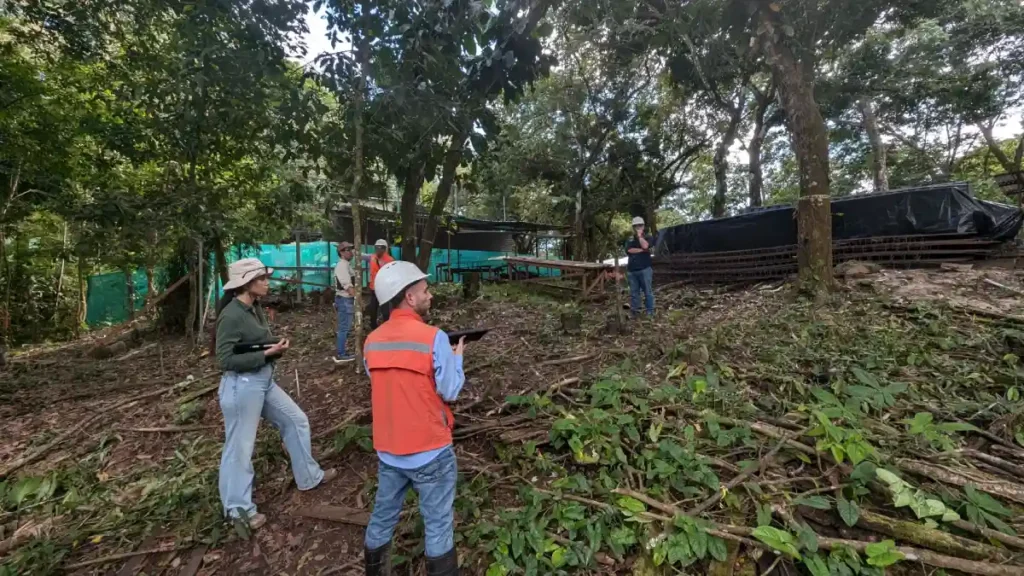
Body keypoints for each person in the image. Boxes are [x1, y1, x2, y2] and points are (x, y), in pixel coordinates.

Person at [214, 258, 336, 530]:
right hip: (242, 385)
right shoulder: (232, 315)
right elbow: (224, 359)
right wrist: (265, 354)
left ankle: (308, 477)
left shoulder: (253, 307)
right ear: (246, 283)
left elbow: (252, 342)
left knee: (296, 420)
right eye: (262, 279)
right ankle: (238, 511)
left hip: (262, 380)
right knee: (240, 447)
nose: (267, 283)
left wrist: (274, 346)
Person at [362, 261, 466, 576]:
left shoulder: (371, 341)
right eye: (425, 290)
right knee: (437, 524)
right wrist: (456, 360)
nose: (429, 295)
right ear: (409, 297)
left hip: (390, 450)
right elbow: (449, 391)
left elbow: (385, 383)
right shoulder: (433, 338)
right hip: (430, 449)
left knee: (382, 518)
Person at [625, 216, 655, 317]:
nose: (638, 227)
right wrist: (642, 251)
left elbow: (646, 246)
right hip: (632, 270)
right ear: (633, 227)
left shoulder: (648, 237)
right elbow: (629, 250)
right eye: (636, 225)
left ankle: (650, 312)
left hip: (645, 269)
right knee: (634, 293)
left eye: (640, 225)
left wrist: (640, 236)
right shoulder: (629, 238)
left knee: (648, 292)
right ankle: (635, 312)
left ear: (643, 226)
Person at [333, 241, 356, 363]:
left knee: (345, 327)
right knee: (344, 328)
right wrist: (358, 300)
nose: (351, 251)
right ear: (341, 252)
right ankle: (341, 354)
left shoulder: (346, 265)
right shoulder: (342, 266)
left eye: (351, 249)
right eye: (348, 249)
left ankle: (343, 351)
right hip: (344, 299)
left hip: (346, 300)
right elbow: (348, 286)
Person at [366, 239, 395, 329]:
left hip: (384, 289)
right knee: (373, 310)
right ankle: (373, 327)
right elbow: (361, 256)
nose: (378, 249)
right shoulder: (372, 257)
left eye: (381, 247)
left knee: (385, 311)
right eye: (376, 247)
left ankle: (387, 328)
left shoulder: (390, 260)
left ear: (385, 249)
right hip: (374, 289)